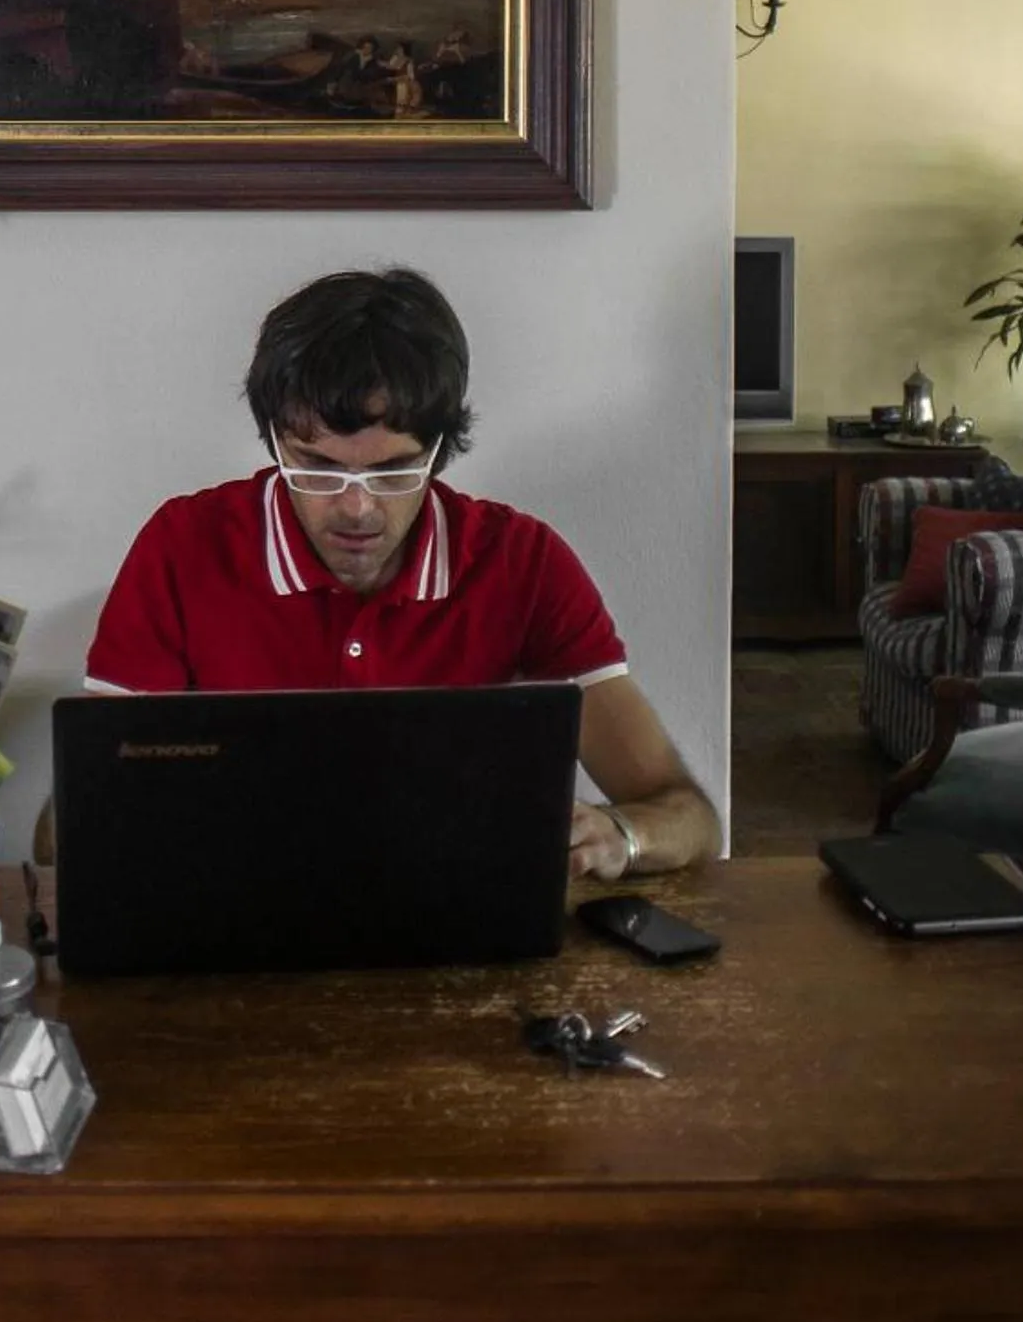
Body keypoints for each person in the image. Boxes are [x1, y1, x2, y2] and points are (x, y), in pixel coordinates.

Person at [86, 268, 719, 880]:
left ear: (440, 452)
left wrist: (622, 836)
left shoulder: (523, 561)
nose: (357, 508)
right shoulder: (182, 547)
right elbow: (73, 829)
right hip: (231, 919)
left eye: (394, 472)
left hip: (457, 928)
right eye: (318, 468)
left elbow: (689, 817)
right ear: (274, 441)